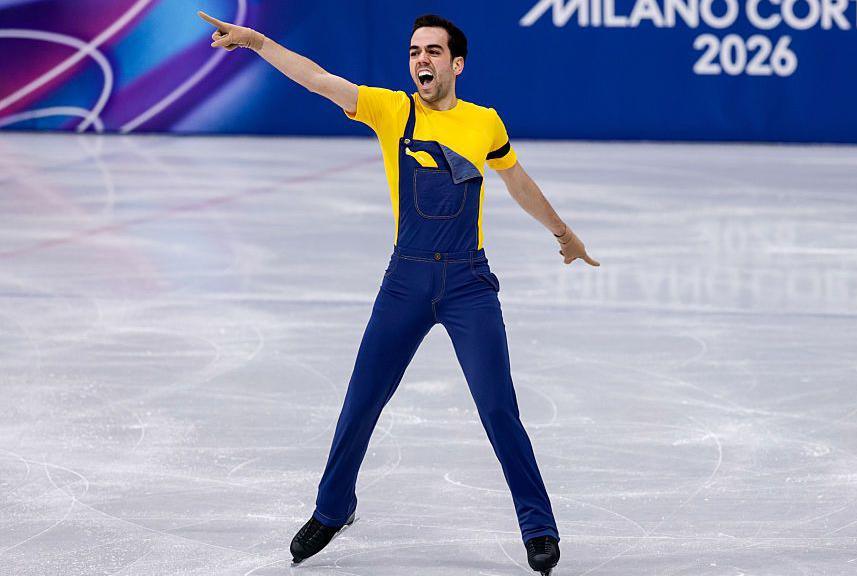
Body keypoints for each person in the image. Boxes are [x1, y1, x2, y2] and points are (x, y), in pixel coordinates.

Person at [199, 10, 599, 574]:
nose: (421, 60)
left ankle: (538, 526)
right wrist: (258, 41)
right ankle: (333, 509)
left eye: (433, 51)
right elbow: (317, 79)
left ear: (456, 64)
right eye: (414, 52)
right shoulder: (391, 110)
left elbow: (517, 181)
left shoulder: (485, 123)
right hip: (405, 282)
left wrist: (563, 233)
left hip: (468, 283)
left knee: (497, 408)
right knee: (361, 401)